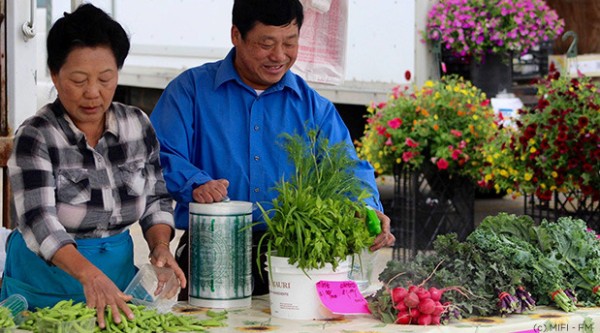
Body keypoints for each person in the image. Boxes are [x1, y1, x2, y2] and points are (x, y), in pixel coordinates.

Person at [150, 0, 395, 300]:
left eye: (290, 43)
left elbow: (346, 168)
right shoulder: (190, 90)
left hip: (295, 254)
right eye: (266, 44)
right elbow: (158, 156)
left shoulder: (313, 107)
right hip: (210, 252)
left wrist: (367, 208)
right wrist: (195, 183)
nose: (279, 56)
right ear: (236, 35)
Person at [0, 4, 185, 329]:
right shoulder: (36, 135)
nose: (92, 93)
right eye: (78, 79)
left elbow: (156, 198)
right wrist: (89, 275)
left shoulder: (136, 125)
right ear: (55, 75)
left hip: (116, 281)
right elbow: (39, 220)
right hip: (46, 283)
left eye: (105, 78)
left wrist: (160, 247)